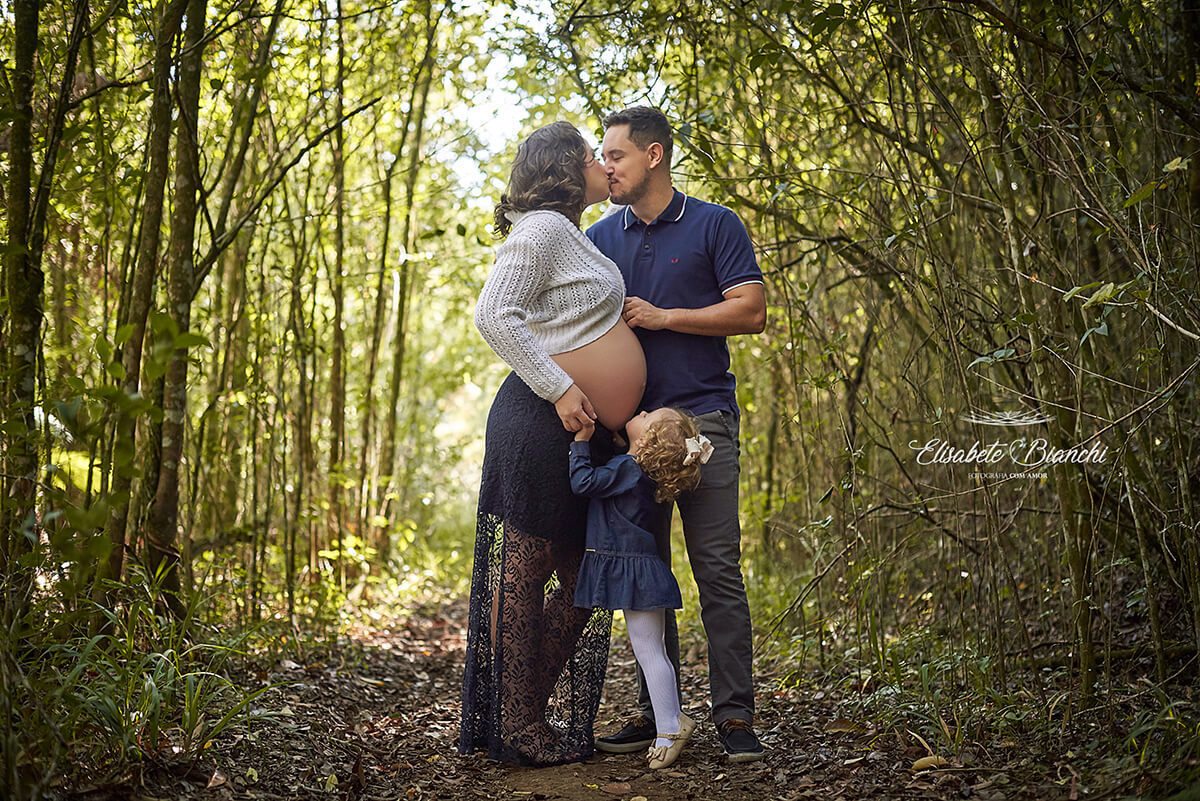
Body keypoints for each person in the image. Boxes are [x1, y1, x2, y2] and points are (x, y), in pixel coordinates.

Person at [458, 120, 648, 767]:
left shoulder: (569, 236)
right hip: (539, 421)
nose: (603, 163)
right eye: (594, 154)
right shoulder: (540, 228)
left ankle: (518, 711)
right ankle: (518, 722)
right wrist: (565, 388)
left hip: (577, 432)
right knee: (529, 567)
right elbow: (494, 313)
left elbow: (566, 317)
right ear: (567, 168)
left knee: (583, 577)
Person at [586, 106, 768, 763]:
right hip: (632, 435)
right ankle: (653, 710)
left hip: (706, 422)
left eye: (616, 155)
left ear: (654, 155)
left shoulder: (715, 223)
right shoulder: (601, 239)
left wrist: (665, 318)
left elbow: (751, 310)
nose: (606, 166)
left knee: (717, 569)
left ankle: (735, 716)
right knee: (644, 575)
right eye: (604, 157)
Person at [570, 407, 711, 770]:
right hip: (643, 570)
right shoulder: (638, 471)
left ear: (645, 440)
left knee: (650, 652)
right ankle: (669, 722)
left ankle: (670, 727)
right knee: (653, 651)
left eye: (647, 416)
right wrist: (624, 446)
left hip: (635, 572)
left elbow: (583, 483)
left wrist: (581, 444)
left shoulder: (627, 469)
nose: (643, 410)